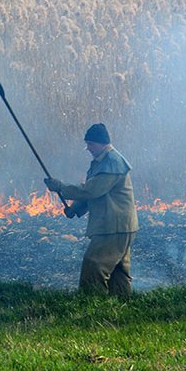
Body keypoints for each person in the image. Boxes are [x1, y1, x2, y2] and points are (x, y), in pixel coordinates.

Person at [44, 123, 139, 296]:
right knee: (118, 273)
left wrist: (61, 187)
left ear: (102, 143)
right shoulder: (103, 162)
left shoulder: (112, 163)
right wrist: (75, 209)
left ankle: (91, 307)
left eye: (91, 144)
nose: (88, 148)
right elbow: (93, 193)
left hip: (113, 227)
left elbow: (92, 190)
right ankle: (123, 307)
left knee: (94, 265)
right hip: (118, 226)